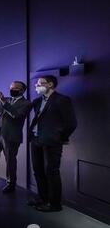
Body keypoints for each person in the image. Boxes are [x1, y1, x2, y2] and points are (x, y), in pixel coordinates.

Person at [28, 75, 77, 212]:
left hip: (52, 141)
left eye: (40, 84)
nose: (37, 86)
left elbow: (71, 123)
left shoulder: (62, 100)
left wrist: (60, 137)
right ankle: (43, 198)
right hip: (36, 140)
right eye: (36, 84)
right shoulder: (37, 101)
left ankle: (55, 204)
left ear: (50, 84)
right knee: (38, 171)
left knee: (52, 172)